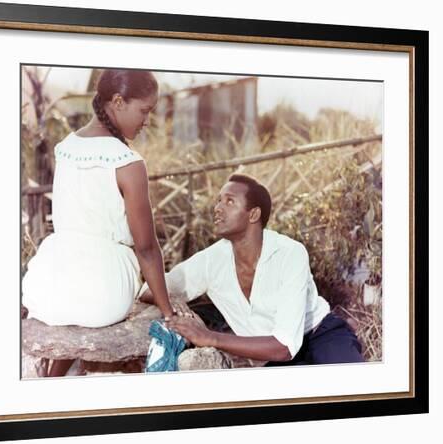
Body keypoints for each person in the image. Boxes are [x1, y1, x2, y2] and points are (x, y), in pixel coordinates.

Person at [22, 69, 178, 376]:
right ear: (118, 101)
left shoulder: (65, 147)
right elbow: (146, 248)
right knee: (125, 262)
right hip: (102, 294)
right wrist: (168, 311)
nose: (146, 121)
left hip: (49, 287)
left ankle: (50, 386)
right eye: (144, 111)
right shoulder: (127, 163)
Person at [139, 173, 364, 366]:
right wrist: (178, 311)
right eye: (218, 201)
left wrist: (209, 337)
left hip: (320, 337)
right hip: (270, 360)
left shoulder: (289, 253)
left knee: (354, 394)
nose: (217, 208)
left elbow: (284, 346)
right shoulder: (211, 260)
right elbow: (150, 290)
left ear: (253, 215)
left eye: (229, 201)